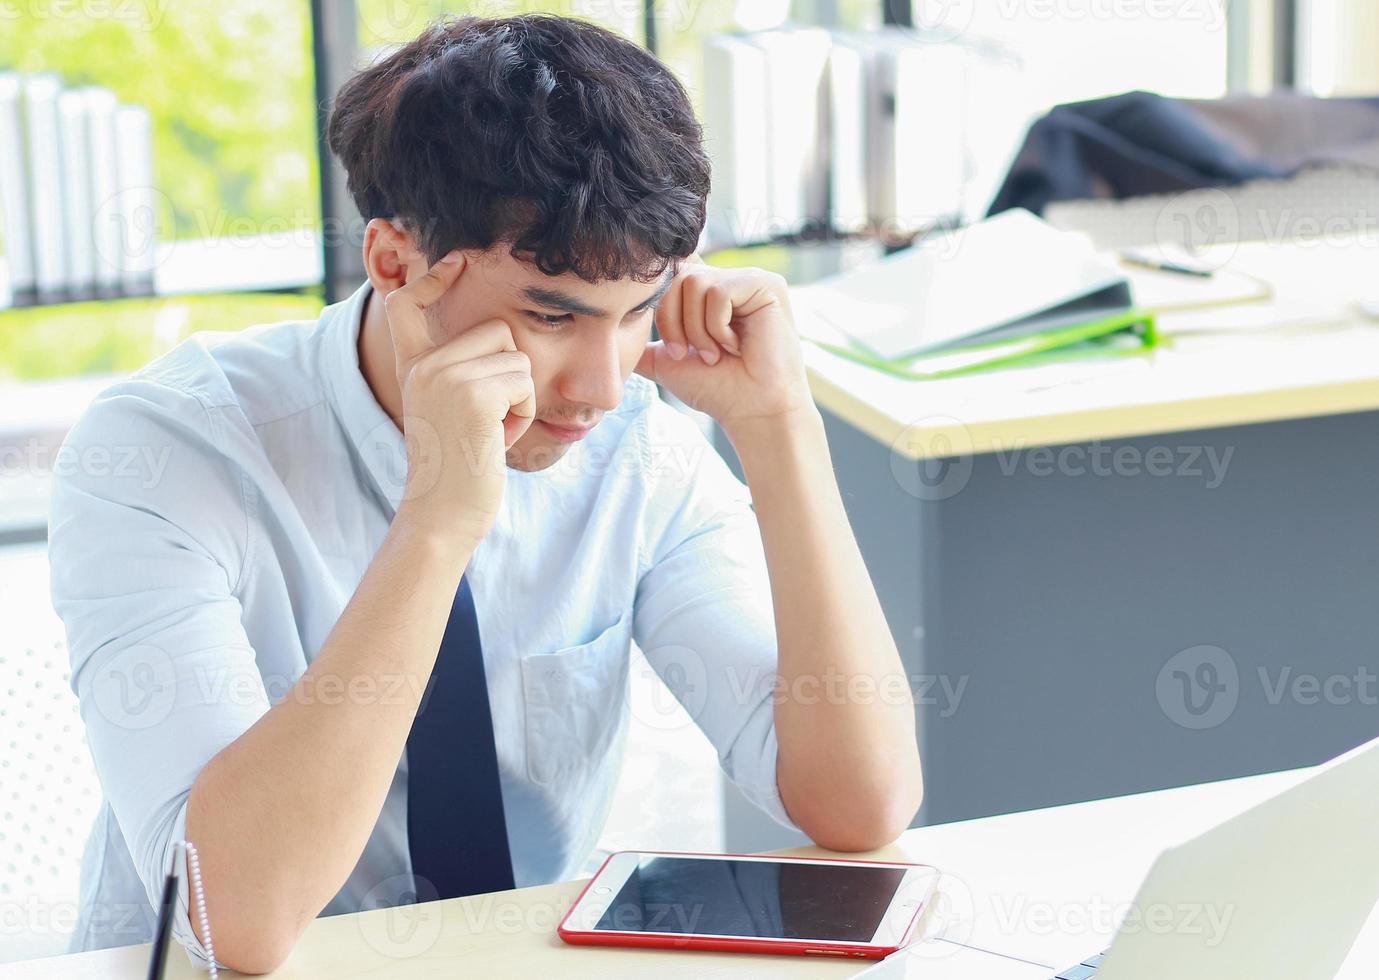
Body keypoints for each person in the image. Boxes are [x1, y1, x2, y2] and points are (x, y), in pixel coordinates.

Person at [48, 14, 922, 974]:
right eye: (551, 315)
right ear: (395, 264)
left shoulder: (636, 447)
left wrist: (779, 430)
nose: (601, 385)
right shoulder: (163, 453)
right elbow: (235, 923)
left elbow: (860, 804)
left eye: (636, 313)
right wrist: (437, 523)